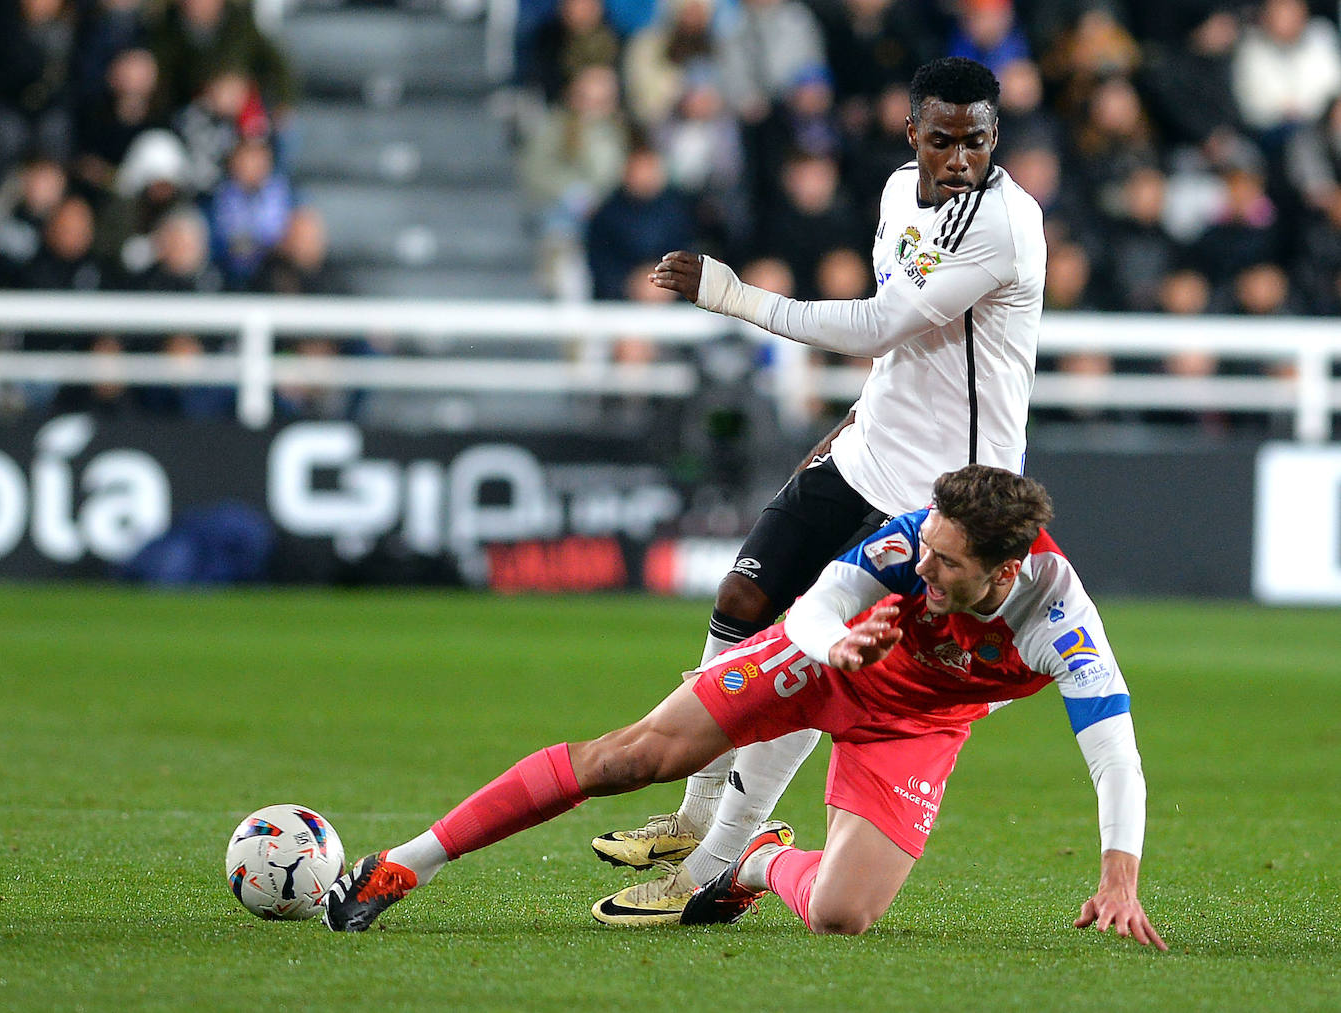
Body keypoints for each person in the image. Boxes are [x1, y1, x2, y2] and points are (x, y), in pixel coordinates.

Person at [320, 465, 1166, 951]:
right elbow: (815, 606)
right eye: (929, 548)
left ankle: (754, 861)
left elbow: (1113, 752)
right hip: (827, 663)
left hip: (917, 725)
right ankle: (407, 863)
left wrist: (1118, 876)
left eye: (948, 564)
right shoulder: (915, 539)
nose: (927, 566)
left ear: (1004, 572)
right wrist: (836, 647)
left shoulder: (1061, 620)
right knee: (633, 757)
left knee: (843, 916)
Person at [585, 55, 1046, 925]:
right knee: (742, 594)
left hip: (945, 498)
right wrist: (843, 431)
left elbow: (879, 323)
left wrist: (731, 294)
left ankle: (715, 865)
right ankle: (691, 818)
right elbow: (900, 357)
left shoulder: (1004, 227)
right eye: (941, 140)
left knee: (809, 662)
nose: (958, 159)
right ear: (912, 134)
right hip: (866, 451)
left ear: (996, 139)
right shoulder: (894, 195)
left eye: (976, 142)